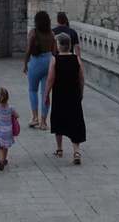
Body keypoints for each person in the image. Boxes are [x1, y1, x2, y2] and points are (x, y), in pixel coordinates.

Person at [44, 32, 86, 164]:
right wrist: (81, 92)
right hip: (73, 93)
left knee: (58, 118)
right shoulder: (76, 59)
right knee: (75, 120)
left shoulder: (55, 60)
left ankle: (59, 148)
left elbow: (50, 79)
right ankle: (77, 151)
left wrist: (46, 95)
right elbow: (82, 79)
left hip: (60, 94)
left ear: (60, 46)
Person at [23, 10, 56, 129]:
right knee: (45, 93)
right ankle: (44, 121)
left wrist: (25, 63)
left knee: (32, 90)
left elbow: (28, 49)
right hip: (48, 61)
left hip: (36, 61)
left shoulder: (33, 32)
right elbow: (54, 51)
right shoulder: (51, 34)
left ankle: (35, 117)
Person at [0, 87, 18, 170]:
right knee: (5, 147)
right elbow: (17, 115)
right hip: (8, 131)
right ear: (8, 97)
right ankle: (4, 159)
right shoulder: (11, 108)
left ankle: (0, 161)